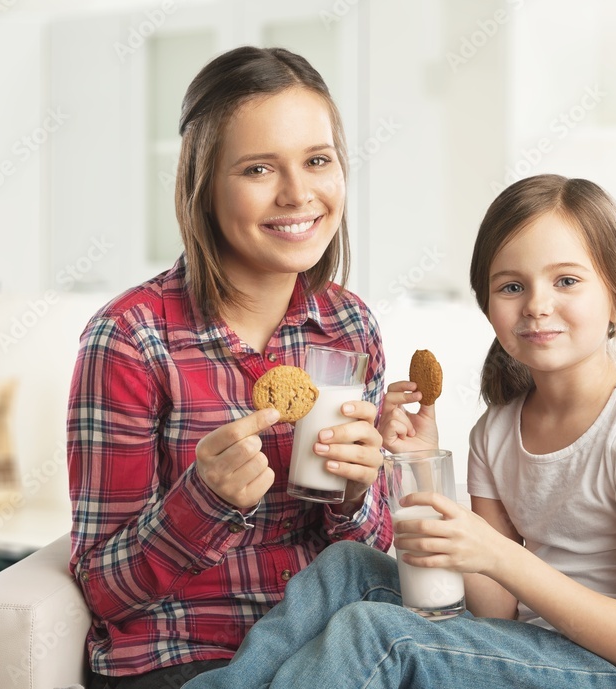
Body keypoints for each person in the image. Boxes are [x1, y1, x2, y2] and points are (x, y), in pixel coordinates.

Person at [184, 174, 616, 688]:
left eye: (566, 280)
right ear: (487, 306)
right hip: (541, 646)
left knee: (378, 635)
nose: (538, 305)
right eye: (512, 286)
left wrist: (499, 554)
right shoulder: (496, 431)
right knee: (346, 567)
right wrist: (425, 465)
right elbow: (494, 609)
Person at [66, 46, 393, 689]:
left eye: (318, 161)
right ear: (203, 185)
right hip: (181, 658)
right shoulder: (131, 339)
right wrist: (204, 501)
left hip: (327, 648)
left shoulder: (350, 327)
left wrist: (356, 496)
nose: (298, 194)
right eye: (257, 169)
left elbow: (373, 555)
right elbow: (103, 590)